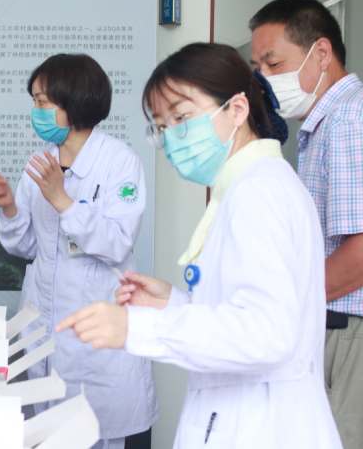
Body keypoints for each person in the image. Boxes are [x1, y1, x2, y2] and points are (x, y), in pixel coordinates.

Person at [57, 43, 343, 448]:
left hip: (261, 428)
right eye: (161, 126)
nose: (171, 135)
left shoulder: (259, 192)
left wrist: (137, 327)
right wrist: (173, 303)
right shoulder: (252, 185)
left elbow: (266, 332)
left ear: (237, 110)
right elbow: (247, 311)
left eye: (181, 117)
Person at [0, 53, 156, 448]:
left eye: (43, 102)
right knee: (48, 434)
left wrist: (63, 201)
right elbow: (28, 246)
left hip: (98, 338)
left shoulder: (119, 163)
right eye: (34, 101)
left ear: (74, 102)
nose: (36, 111)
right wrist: (9, 207)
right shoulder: (41, 162)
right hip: (45, 334)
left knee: (99, 435)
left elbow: (117, 242)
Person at [249, 0, 363, 448]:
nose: (264, 78)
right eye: (258, 67)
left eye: (274, 63)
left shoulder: (349, 120)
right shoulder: (323, 123)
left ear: (321, 52)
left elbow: (360, 251)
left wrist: (289, 304)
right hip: (331, 324)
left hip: (347, 330)